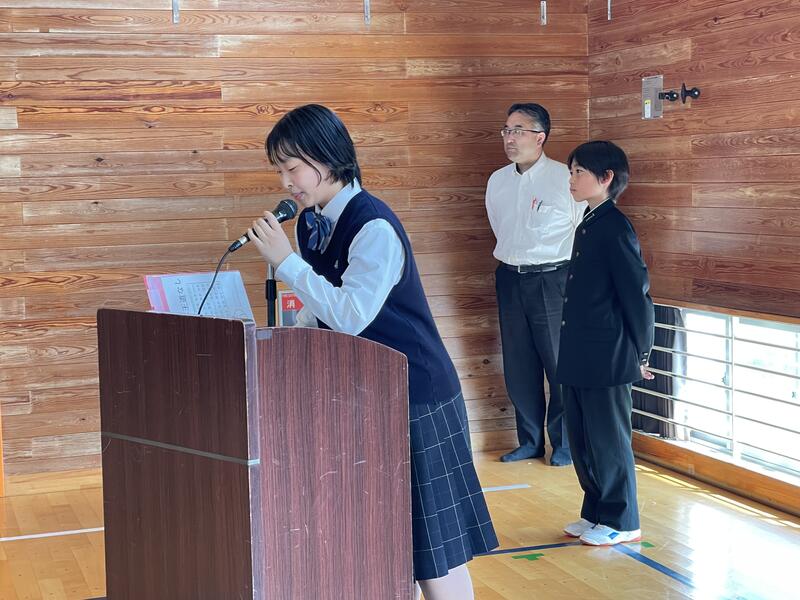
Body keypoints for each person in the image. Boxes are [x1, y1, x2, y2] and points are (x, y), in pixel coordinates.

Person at [247, 104, 498, 598]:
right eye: (279, 171)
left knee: (433, 551)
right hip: (367, 394)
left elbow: (351, 315)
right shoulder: (311, 222)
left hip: (417, 394)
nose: (286, 182)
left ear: (326, 158)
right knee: (389, 540)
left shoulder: (374, 226)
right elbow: (321, 309)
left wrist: (287, 263)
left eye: (292, 168)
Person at [557, 140, 655, 546]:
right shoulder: (590, 220)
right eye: (571, 171)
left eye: (578, 171)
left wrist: (642, 352)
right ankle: (596, 512)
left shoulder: (615, 226)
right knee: (582, 439)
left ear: (606, 177)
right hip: (580, 352)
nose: (571, 179)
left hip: (608, 354)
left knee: (609, 441)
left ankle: (622, 519)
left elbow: (636, 295)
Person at [485, 103, 585, 466]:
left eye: (518, 130)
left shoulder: (564, 178)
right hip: (510, 277)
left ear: (540, 137)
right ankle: (529, 441)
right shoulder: (497, 180)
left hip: (554, 278)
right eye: (506, 130)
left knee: (559, 363)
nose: (510, 138)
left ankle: (565, 444)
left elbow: (581, 228)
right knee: (518, 364)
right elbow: (498, 226)